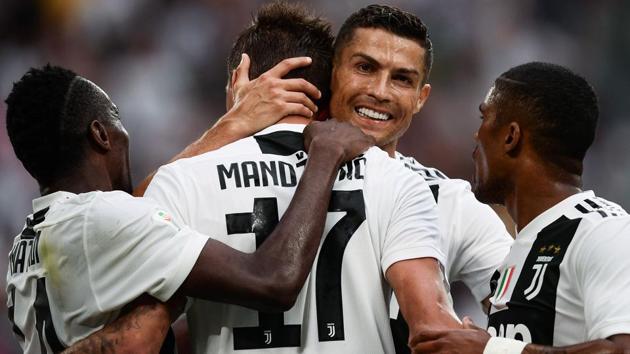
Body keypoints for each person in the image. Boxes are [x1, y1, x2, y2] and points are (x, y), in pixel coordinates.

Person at [143, 2, 459, 353]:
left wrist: (228, 125)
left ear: (238, 77)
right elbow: (435, 332)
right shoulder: (398, 180)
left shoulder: (184, 181)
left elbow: (137, 334)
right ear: (326, 87)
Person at [4, 63, 373, 353]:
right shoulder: (102, 221)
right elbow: (273, 280)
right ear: (100, 134)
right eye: (117, 117)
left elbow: (130, 211)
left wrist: (234, 123)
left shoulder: (27, 243)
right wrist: (324, 155)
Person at [325, 5, 513, 353]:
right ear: (333, 73)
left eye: (402, 79)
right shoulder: (261, 177)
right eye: (365, 68)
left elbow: (529, 317)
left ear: (420, 98)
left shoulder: (450, 201)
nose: (380, 91)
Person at [409, 62, 630, 353]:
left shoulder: (603, 230)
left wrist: (491, 350)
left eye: (483, 118)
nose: (476, 135)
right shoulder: (520, 250)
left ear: (511, 137)